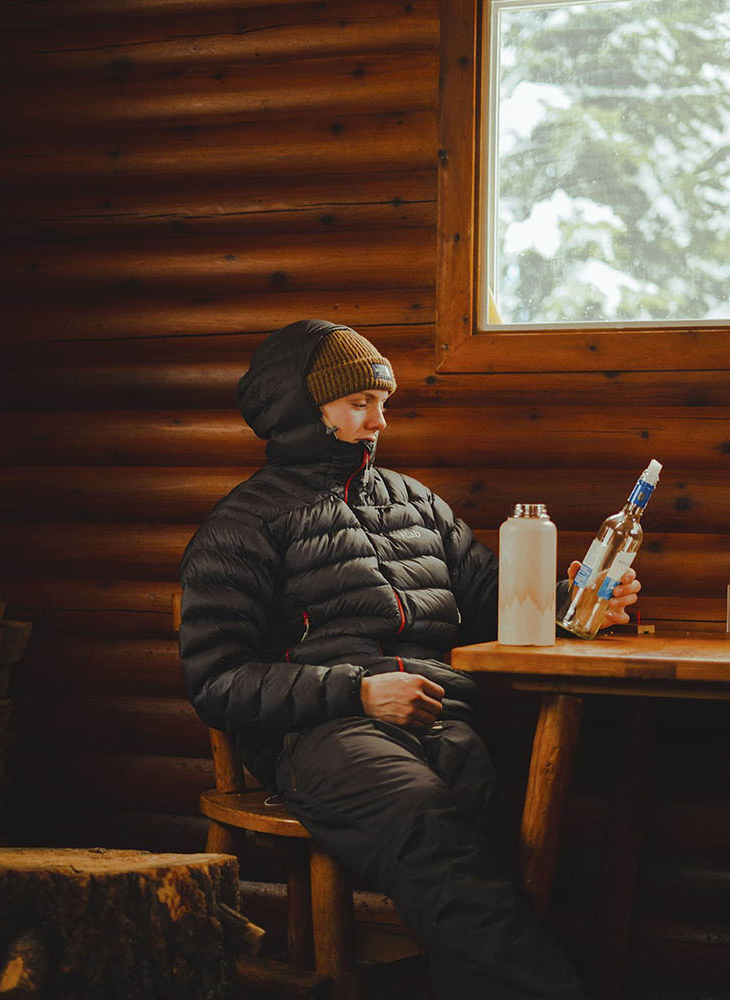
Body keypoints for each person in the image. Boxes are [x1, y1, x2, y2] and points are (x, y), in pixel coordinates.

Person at [179, 319, 640, 999]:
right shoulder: (243, 525)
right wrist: (358, 692)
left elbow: (492, 606)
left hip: (438, 715)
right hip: (324, 732)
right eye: (361, 403)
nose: (380, 421)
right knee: (426, 817)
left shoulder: (415, 502)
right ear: (303, 406)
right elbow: (217, 681)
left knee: (484, 801)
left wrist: (578, 606)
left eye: (383, 403)